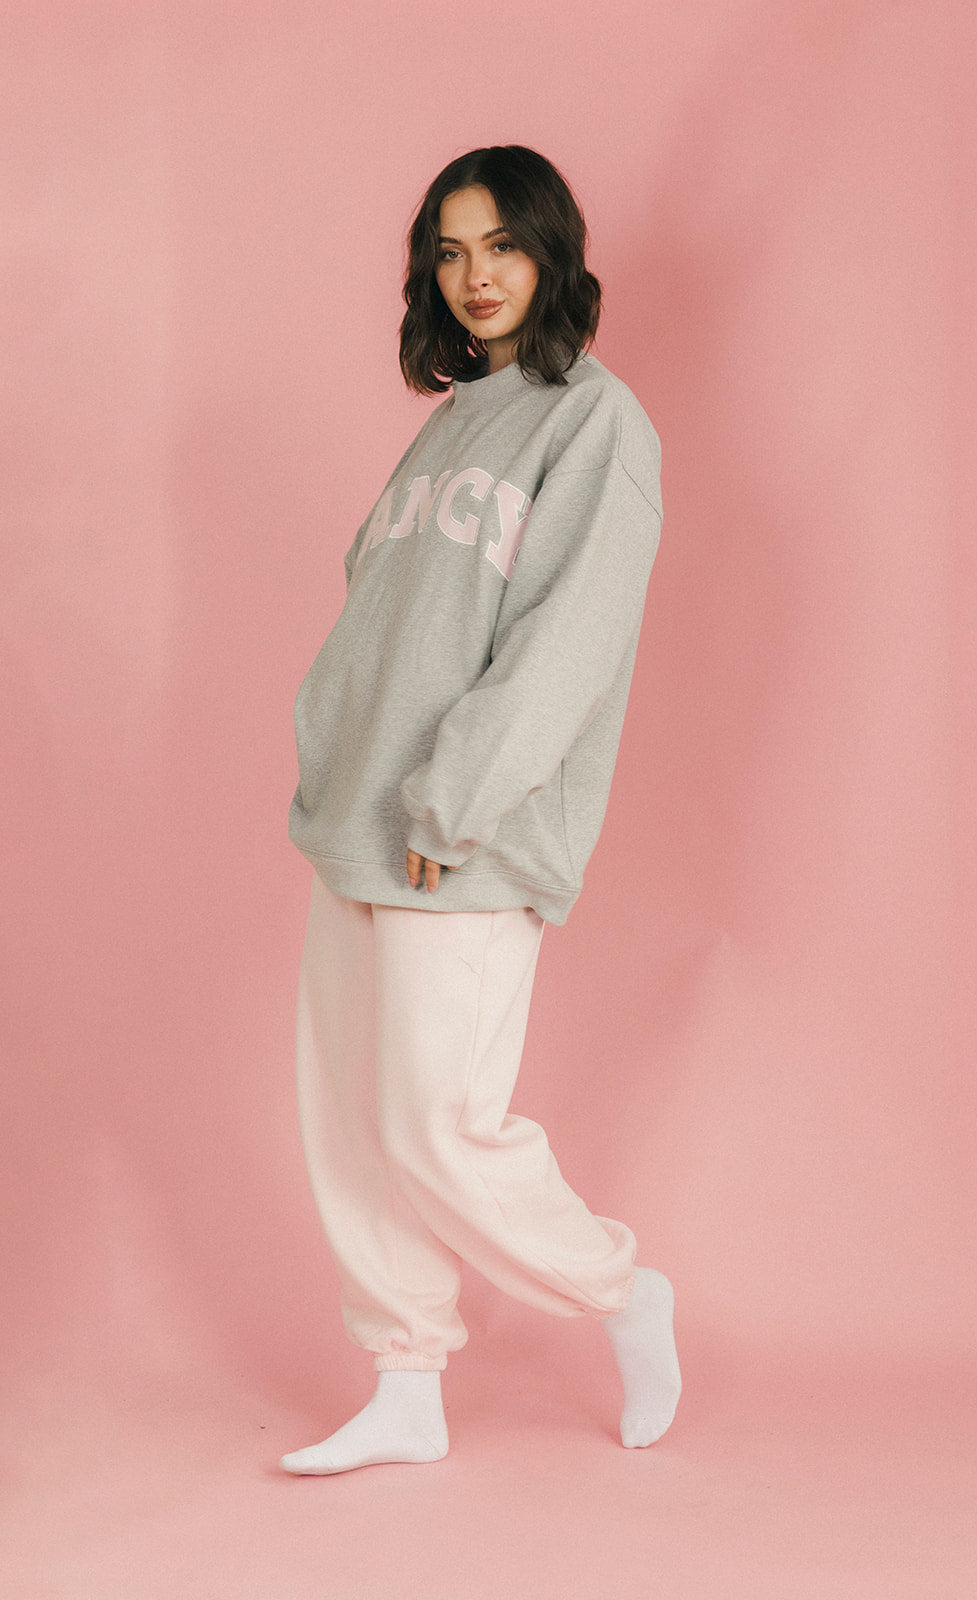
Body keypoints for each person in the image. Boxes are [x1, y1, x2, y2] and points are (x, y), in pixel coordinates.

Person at [280, 145, 681, 1475]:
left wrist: (449, 802)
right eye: (450, 252)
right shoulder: (455, 418)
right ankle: (405, 1385)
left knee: (434, 1123)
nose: (476, 276)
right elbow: (380, 617)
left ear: (553, 252)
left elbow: (566, 642)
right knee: (352, 1126)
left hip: (464, 836)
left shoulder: (597, 423)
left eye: (502, 245)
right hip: (360, 819)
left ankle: (621, 1289)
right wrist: (332, 758)